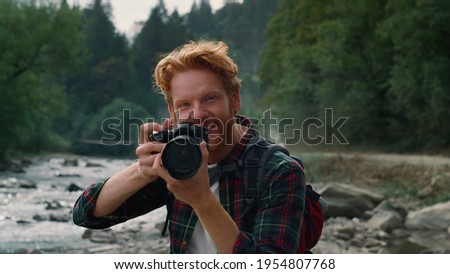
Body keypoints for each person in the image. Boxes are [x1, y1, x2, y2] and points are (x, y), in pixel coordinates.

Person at [73, 40, 306, 254]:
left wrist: (201, 199)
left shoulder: (278, 170)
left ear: (234, 98)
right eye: (184, 104)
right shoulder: (175, 158)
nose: (198, 114)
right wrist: (141, 172)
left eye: (209, 99)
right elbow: (86, 214)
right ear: (172, 111)